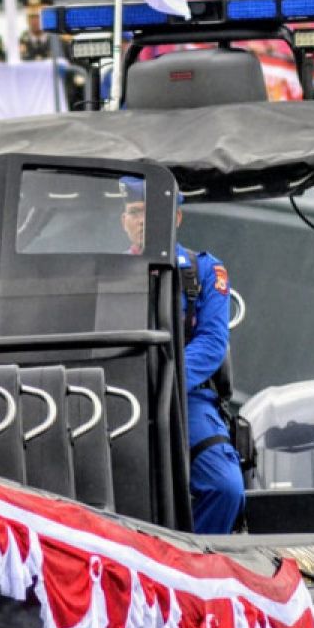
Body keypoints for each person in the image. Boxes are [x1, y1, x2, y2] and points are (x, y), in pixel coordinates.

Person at [121, 179, 244, 534]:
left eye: (151, 213)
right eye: (134, 212)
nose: (142, 220)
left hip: (185, 398)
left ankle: (193, 566)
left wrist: (162, 383)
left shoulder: (203, 271)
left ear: (175, 219)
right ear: (123, 221)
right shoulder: (105, 271)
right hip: (116, 396)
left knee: (226, 488)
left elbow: (211, 342)